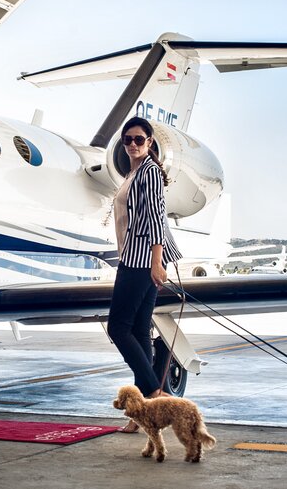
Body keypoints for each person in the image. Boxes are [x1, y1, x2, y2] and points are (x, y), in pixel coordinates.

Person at [108, 116, 182, 432]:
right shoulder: (133, 172)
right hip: (134, 255)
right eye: (128, 140)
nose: (133, 145)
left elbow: (154, 217)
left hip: (141, 259)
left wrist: (156, 261)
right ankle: (142, 413)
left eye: (139, 139)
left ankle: (154, 394)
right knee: (138, 331)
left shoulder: (149, 172)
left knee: (118, 327)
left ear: (150, 142)